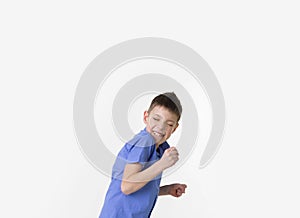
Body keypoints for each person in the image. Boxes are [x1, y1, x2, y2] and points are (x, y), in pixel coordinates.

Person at [99, 92, 187, 218]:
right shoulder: (145, 141)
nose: (161, 127)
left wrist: (166, 190)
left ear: (175, 128)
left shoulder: (161, 148)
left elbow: (138, 186)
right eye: (156, 119)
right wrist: (162, 164)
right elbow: (127, 187)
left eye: (169, 124)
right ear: (146, 117)